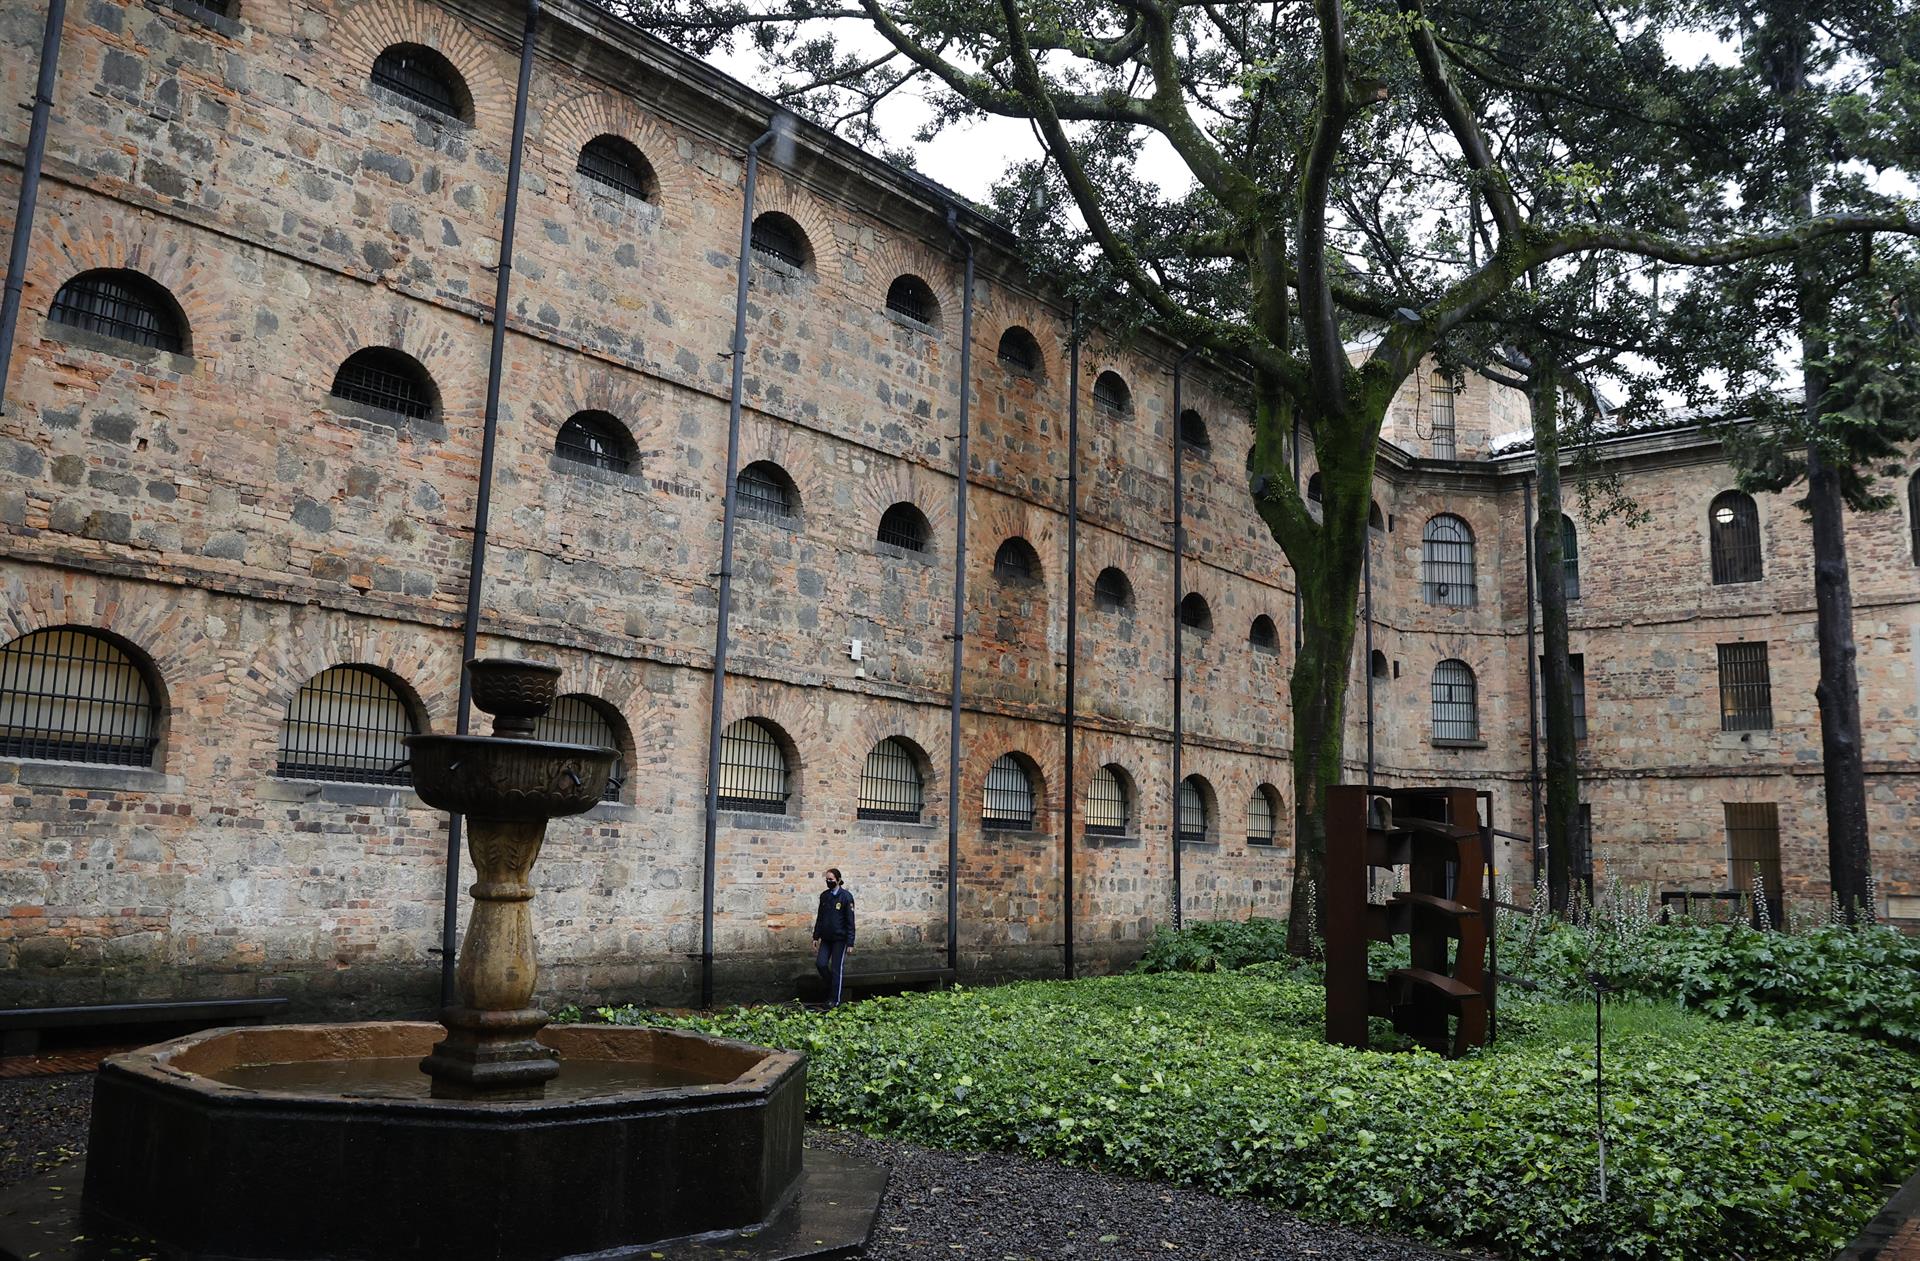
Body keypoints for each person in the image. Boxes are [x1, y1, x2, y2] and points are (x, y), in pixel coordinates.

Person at [811, 868, 856, 1008]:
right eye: (827, 879)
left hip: (840, 940)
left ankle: (835, 1000)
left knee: (837, 968)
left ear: (838, 879)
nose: (828, 881)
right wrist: (816, 936)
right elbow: (820, 917)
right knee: (821, 964)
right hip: (826, 938)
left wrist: (850, 942)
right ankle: (833, 987)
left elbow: (850, 921)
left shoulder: (846, 897)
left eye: (831, 879)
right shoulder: (824, 896)